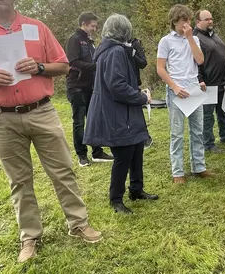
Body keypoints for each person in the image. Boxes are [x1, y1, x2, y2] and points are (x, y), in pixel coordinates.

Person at [0, 0, 102, 263]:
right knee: (19, 180)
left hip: (41, 111)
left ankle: (78, 223)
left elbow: (63, 65)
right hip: (1, 118)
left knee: (62, 170)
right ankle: (29, 237)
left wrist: (38, 67)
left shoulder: (37, 27)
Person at [84, 15, 158, 214]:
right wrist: (141, 97)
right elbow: (117, 86)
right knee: (123, 154)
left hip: (125, 109)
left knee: (137, 147)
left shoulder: (114, 49)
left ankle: (136, 189)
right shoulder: (115, 51)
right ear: (124, 31)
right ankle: (116, 199)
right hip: (116, 111)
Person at [157, 5, 213, 184]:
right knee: (177, 133)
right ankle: (178, 172)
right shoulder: (165, 41)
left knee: (197, 131)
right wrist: (174, 86)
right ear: (175, 22)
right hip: (176, 91)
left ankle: (199, 167)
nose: (187, 23)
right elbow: (160, 68)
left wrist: (189, 38)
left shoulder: (194, 38)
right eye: (184, 20)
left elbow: (200, 60)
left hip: (193, 89)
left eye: (189, 20)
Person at [66, 12, 113, 167]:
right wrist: (96, 66)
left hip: (91, 86)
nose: (94, 28)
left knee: (94, 118)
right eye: (92, 25)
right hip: (77, 86)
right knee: (79, 122)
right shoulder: (74, 40)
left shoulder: (90, 41)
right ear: (84, 24)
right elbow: (73, 62)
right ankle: (82, 155)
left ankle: (97, 152)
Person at [193, 10, 225, 153]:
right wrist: (199, 79)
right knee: (208, 116)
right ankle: (208, 143)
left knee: (224, 111)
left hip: (222, 82)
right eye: (207, 19)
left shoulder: (214, 35)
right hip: (208, 84)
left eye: (211, 18)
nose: (210, 21)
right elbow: (194, 61)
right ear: (198, 22)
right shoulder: (196, 38)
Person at [130, 36, 153, 149]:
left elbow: (143, 63)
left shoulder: (135, 43)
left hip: (134, 82)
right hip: (121, 81)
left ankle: (145, 137)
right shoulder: (114, 44)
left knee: (137, 110)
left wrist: (133, 54)